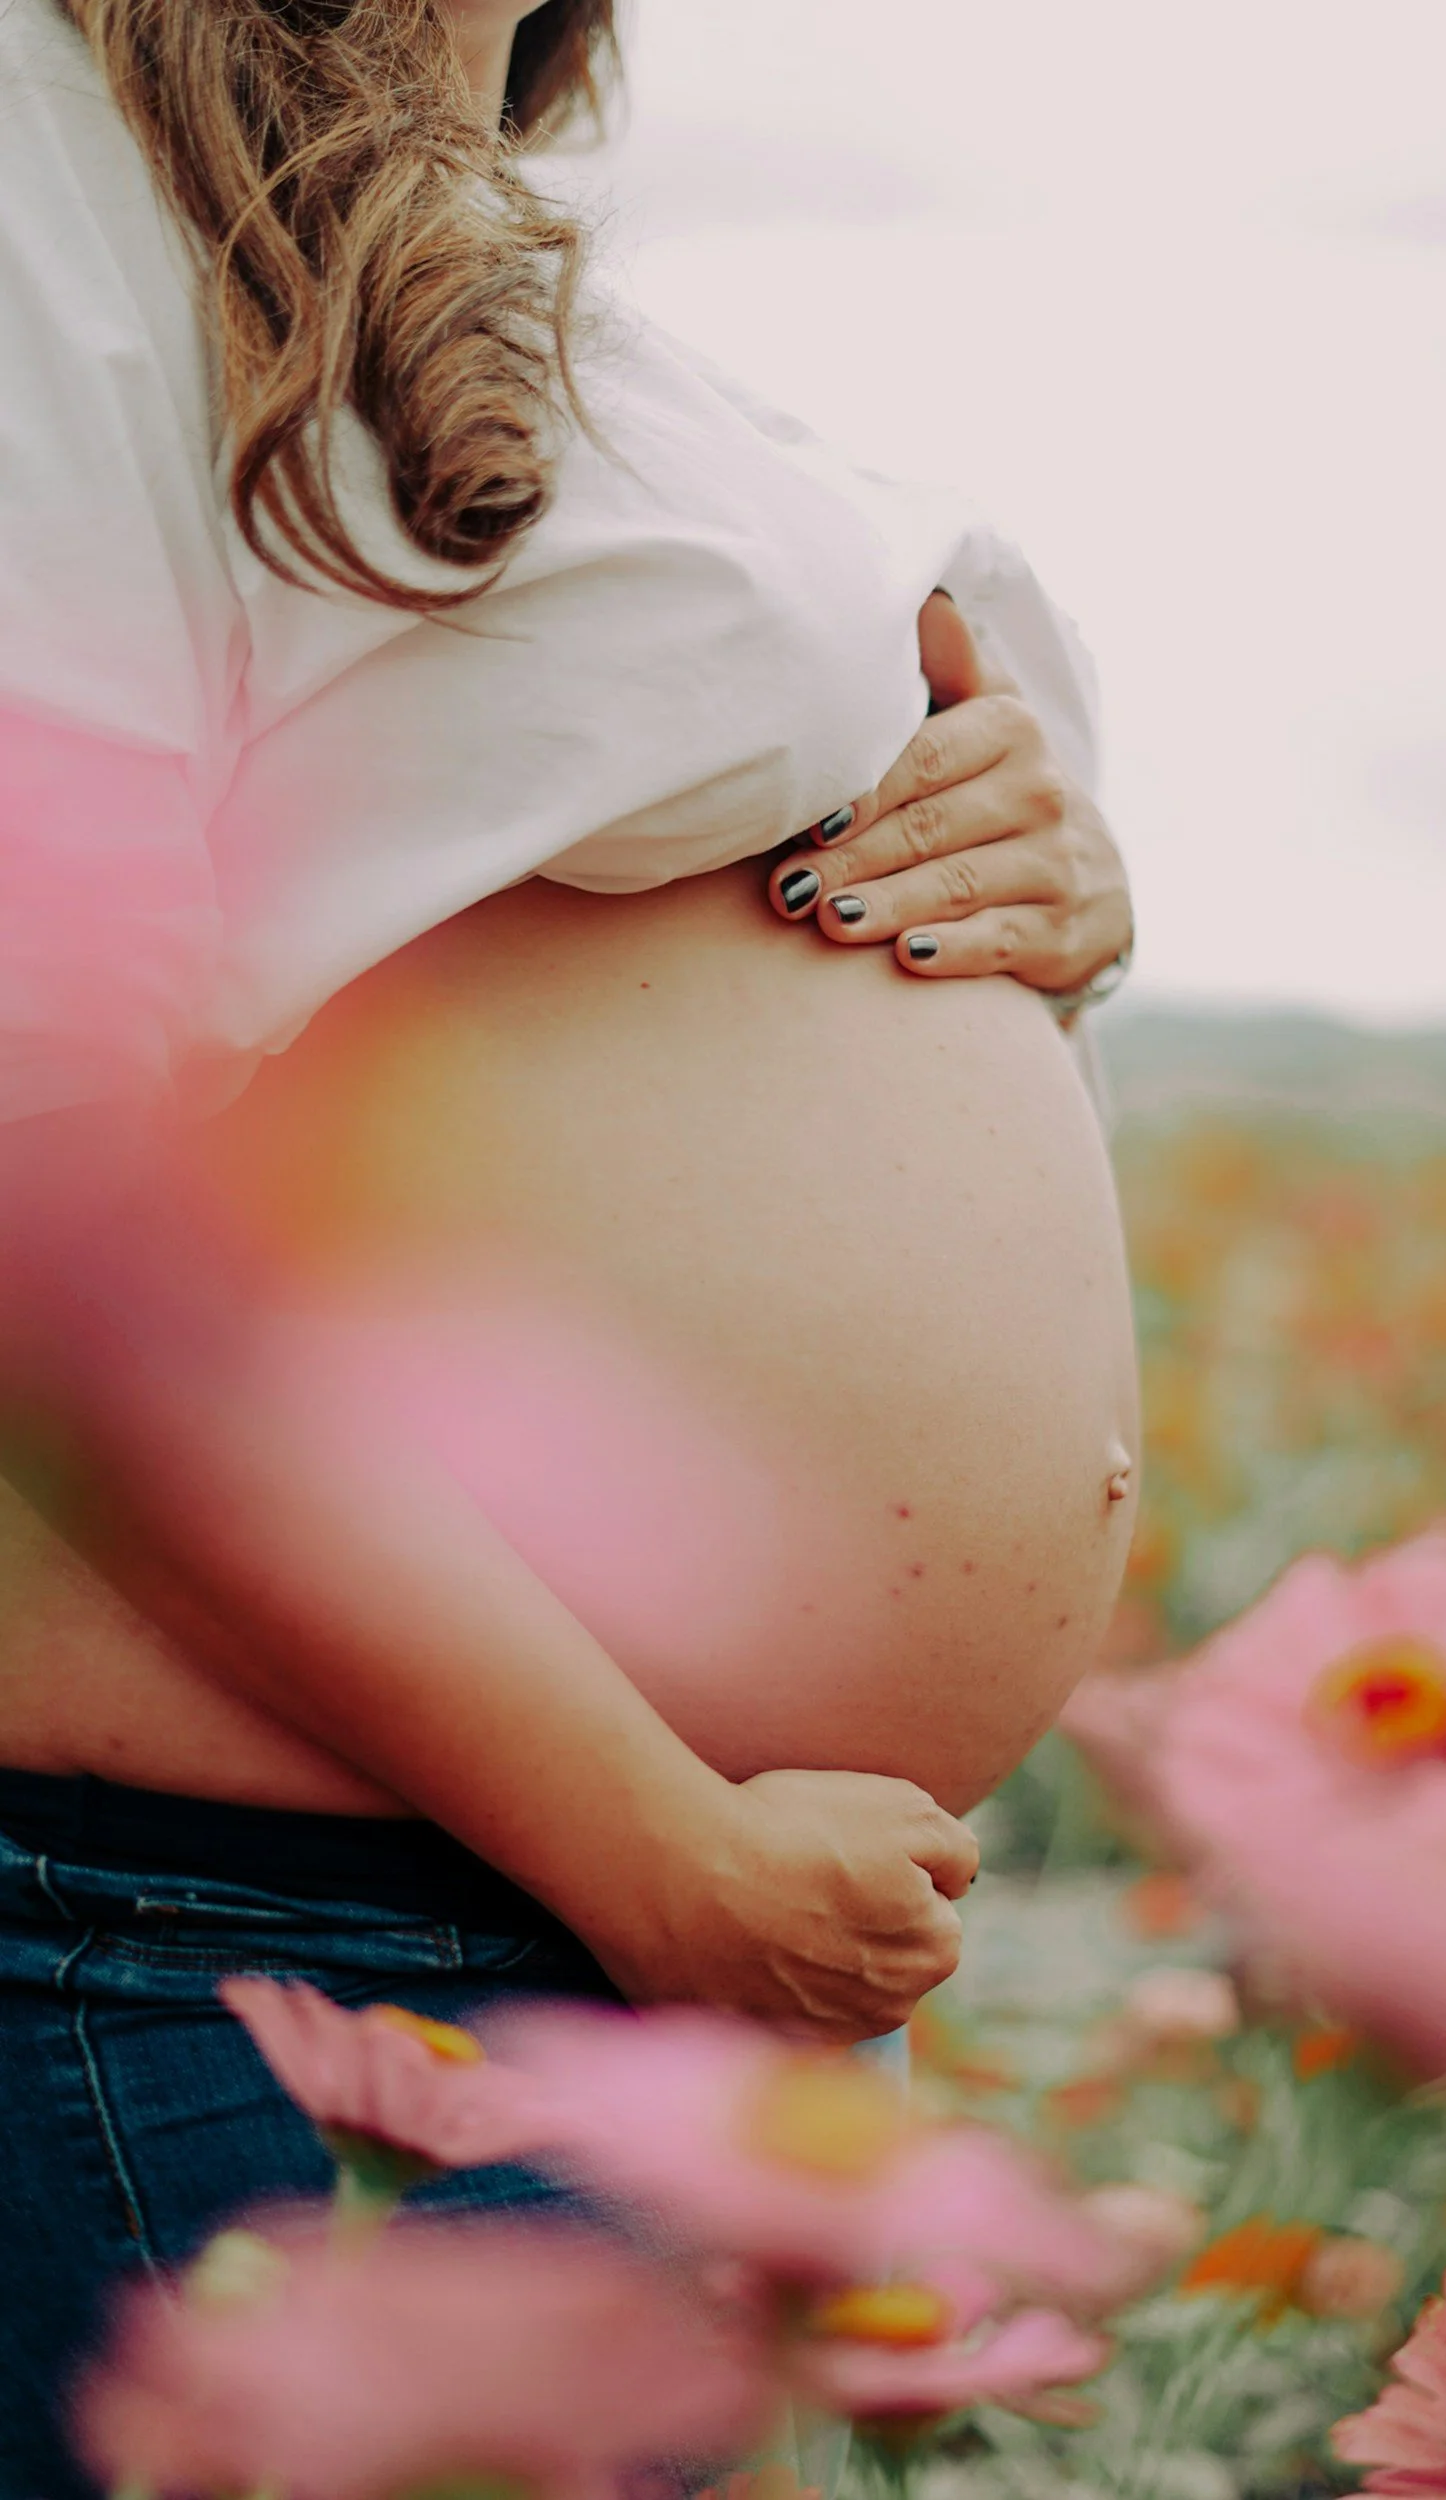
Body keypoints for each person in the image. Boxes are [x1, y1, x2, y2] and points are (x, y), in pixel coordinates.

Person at [0, 0, 1138, 2486]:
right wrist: (650, 1835)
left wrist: (1042, 868)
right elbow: (35, 1182)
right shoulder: (32, 154)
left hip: (561, 1925)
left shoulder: (527, 292)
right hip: (277, 1943)